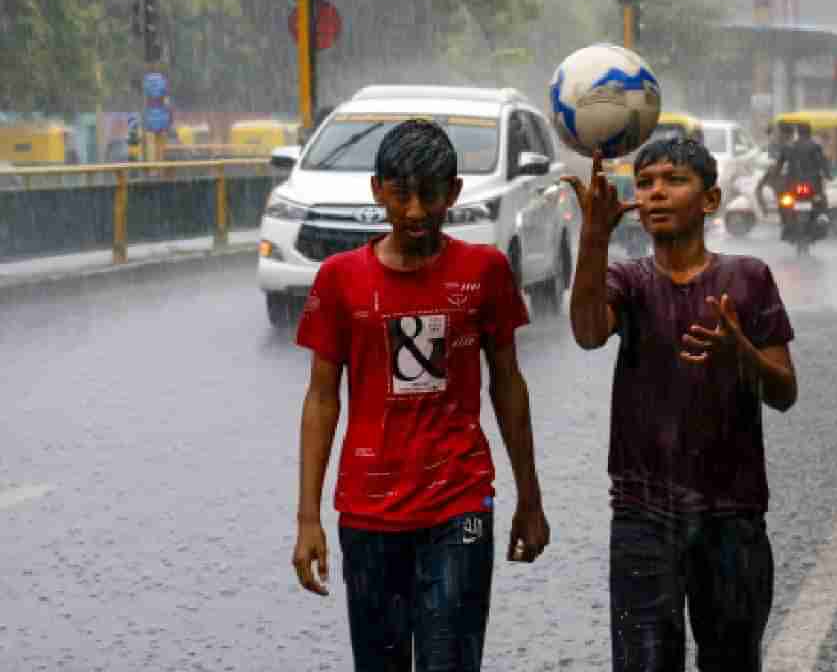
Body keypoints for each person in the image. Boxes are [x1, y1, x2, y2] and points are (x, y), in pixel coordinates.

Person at [291, 118, 550, 671]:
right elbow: (321, 399)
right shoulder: (340, 279)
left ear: (453, 193)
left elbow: (508, 383)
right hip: (367, 511)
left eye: (429, 195)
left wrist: (530, 497)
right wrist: (307, 518)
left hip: (460, 504)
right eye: (401, 194)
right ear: (377, 190)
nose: (414, 211)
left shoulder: (485, 271)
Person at [563, 138, 798, 671]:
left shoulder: (748, 278)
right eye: (644, 183)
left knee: (731, 661)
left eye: (674, 180)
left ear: (710, 199)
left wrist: (743, 357)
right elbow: (587, 332)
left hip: (732, 516)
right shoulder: (629, 279)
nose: (656, 194)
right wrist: (593, 239)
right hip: (642, 516)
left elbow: (784, 392)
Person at [768, 121, 830, 240]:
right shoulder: (815, 147)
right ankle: (822, 218)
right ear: (809, 132)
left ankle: (785, 223)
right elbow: (823, 164)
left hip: (792, 185)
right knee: (822, 201)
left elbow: (779, 165)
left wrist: (775, 175)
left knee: (783, 202)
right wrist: (828, 175)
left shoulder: (788, 147)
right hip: (813, 186)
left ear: (798, 132)